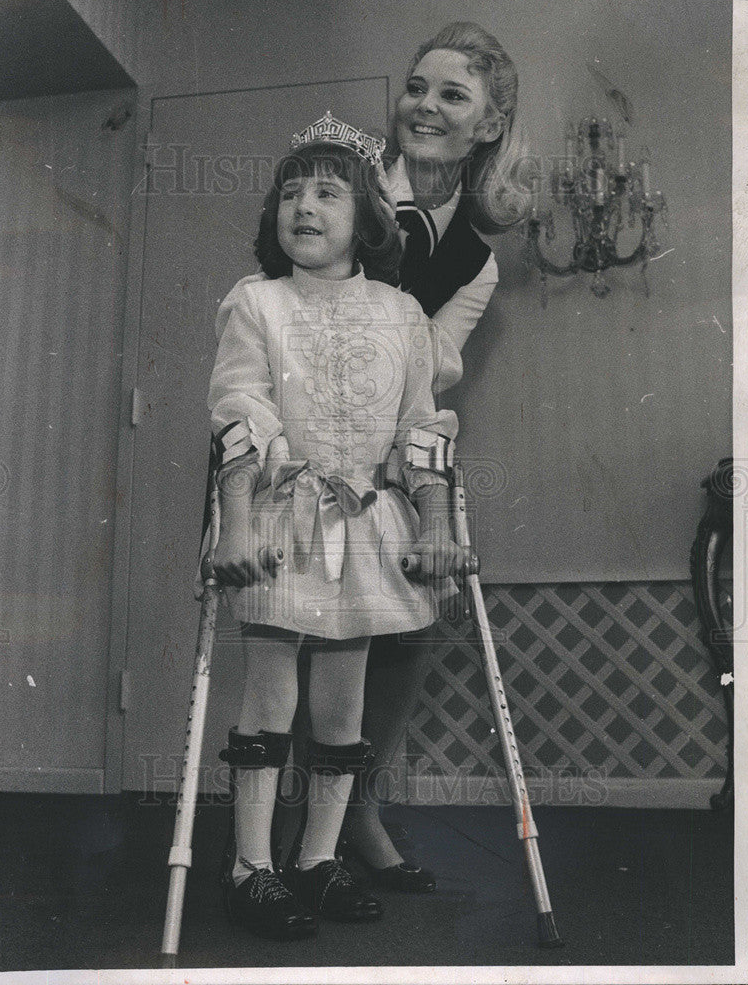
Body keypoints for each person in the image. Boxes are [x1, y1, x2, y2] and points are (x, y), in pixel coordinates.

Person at [208, 122, 463, 940]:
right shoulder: (258, 301)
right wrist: (238, 523)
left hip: (368, 530)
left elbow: (419, 432)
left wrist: (434, 525)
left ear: (367, 220)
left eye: (325, 193)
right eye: (290, 193)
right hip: (281, 522)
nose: (303, 207)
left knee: (341, 708)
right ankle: (251, 864)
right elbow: (241, 414)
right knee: (272, 694)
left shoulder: (402, 314)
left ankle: (318, 858)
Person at [297, 21, 529, 891]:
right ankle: (299, 830)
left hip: (397, 444)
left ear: (489, 125)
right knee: (312, 624)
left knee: (405, 622)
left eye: (451, 95)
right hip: (304, 436)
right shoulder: (344, 182)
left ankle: (354, 808)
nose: (424, 108)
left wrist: (416, 464)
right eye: (417, 88)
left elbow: (430, 376)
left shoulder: (477, 260)